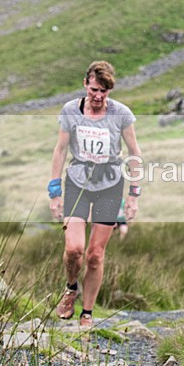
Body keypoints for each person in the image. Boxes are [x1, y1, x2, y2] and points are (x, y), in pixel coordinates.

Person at [49, 61, 142, 328]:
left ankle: (87, 313)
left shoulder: (121, 114)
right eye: (94, 90)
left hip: (110, 185)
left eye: (104, 91)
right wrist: (54, 191)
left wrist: (134, 194)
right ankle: (70, 288)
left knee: (95, 255)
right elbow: (60, 151)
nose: (98, 96)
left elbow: (135, 154)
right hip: (78, 182)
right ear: (85, 85)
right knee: (74, 248)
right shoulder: (70, 111)